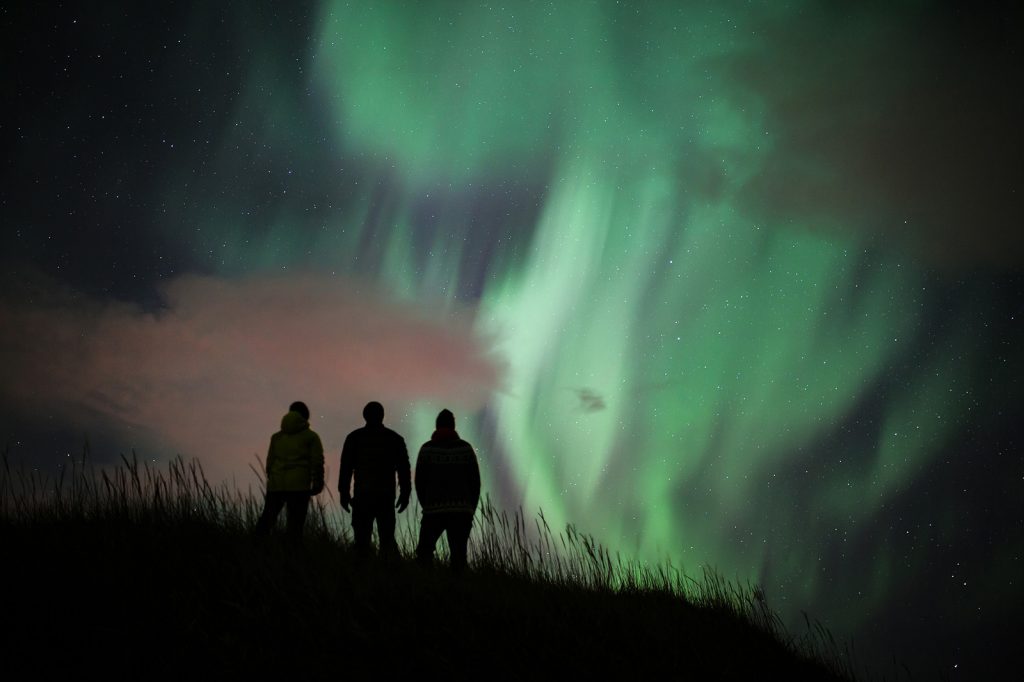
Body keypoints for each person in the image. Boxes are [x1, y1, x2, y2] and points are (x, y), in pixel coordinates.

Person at [338, 401, 411, 556]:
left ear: (364, 416)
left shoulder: (354, 437)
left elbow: (346, 468)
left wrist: (344, 493)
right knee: (387, 539)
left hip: (363, 495)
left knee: (362, 542)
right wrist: (405, 493)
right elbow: (404, 469)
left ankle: (363, 574)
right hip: (385, 496)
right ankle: (387, 574)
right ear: (382, 416)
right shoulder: (395, 438)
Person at [414, 409, 481, 570]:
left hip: (433, 510)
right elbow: (475, 482)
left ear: (436, 426)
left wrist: (427, 505)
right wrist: (470, 508)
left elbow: (419, 482)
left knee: (424, 552)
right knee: (459, 556)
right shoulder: (465, 448)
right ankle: (458, 591)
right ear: (453, 426)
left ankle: (426, 588)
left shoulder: (427, 449)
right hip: (461, 511)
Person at [254, 401, 325, 541]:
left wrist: (273, 478)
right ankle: (292, 557)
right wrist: (318, 482)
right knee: (295, 526)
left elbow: (270, 462)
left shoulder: (277, 437)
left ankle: (255, 548)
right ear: (305, 416)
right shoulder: (311, 437)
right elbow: (317, 462)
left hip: (276, 485)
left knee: (267, 520)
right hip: (299, 487)